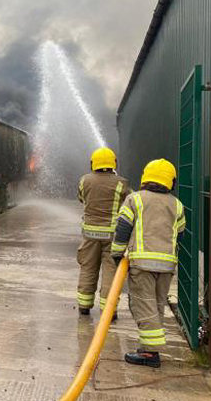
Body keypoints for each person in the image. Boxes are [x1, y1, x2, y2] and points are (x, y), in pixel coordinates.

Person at [111, 159, 185, 368]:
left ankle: (150, 354)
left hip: (142, 264)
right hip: (167, 265)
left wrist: (117, 254)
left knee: (142, 305)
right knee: (157, 305)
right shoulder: (176, 204)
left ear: (145, 177)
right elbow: (180, 232)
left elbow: (123, 228)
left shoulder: (135, 199)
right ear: (171, 181)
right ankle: (147, 347)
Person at [76, 147, 130, 317]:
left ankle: (84, 306)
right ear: (114, 163)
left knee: (88, 268)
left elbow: (81, 198)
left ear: (93, 163)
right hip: (112, 236)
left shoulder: (84, 180)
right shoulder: (121, 183)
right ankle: (109, 310)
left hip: (89, 235)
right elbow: (129, 203)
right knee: (110, 271)